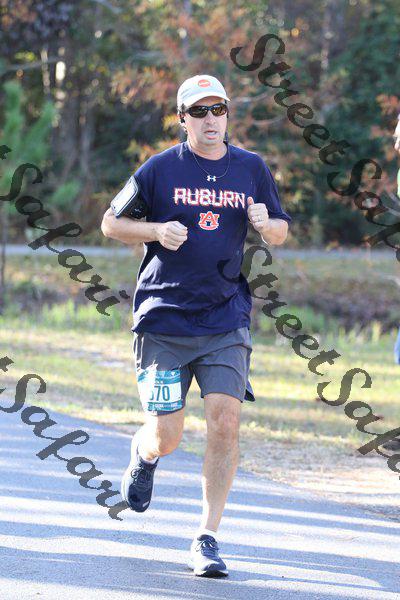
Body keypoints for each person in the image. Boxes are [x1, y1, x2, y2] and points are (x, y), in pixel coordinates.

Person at [101, 74, 291, 577]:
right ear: (182, 118)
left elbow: (280, 229)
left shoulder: (250, 168)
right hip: (163, 319)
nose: (211, 120)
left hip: (225, 317)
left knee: (225, 421)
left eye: (218, 109)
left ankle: (207, 536)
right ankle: (145, 453)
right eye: (200, 111)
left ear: (228, 114)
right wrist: (155, 230)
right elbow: (110, 223)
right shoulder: (160, 168)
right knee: (167, 434)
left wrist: (265, 225)